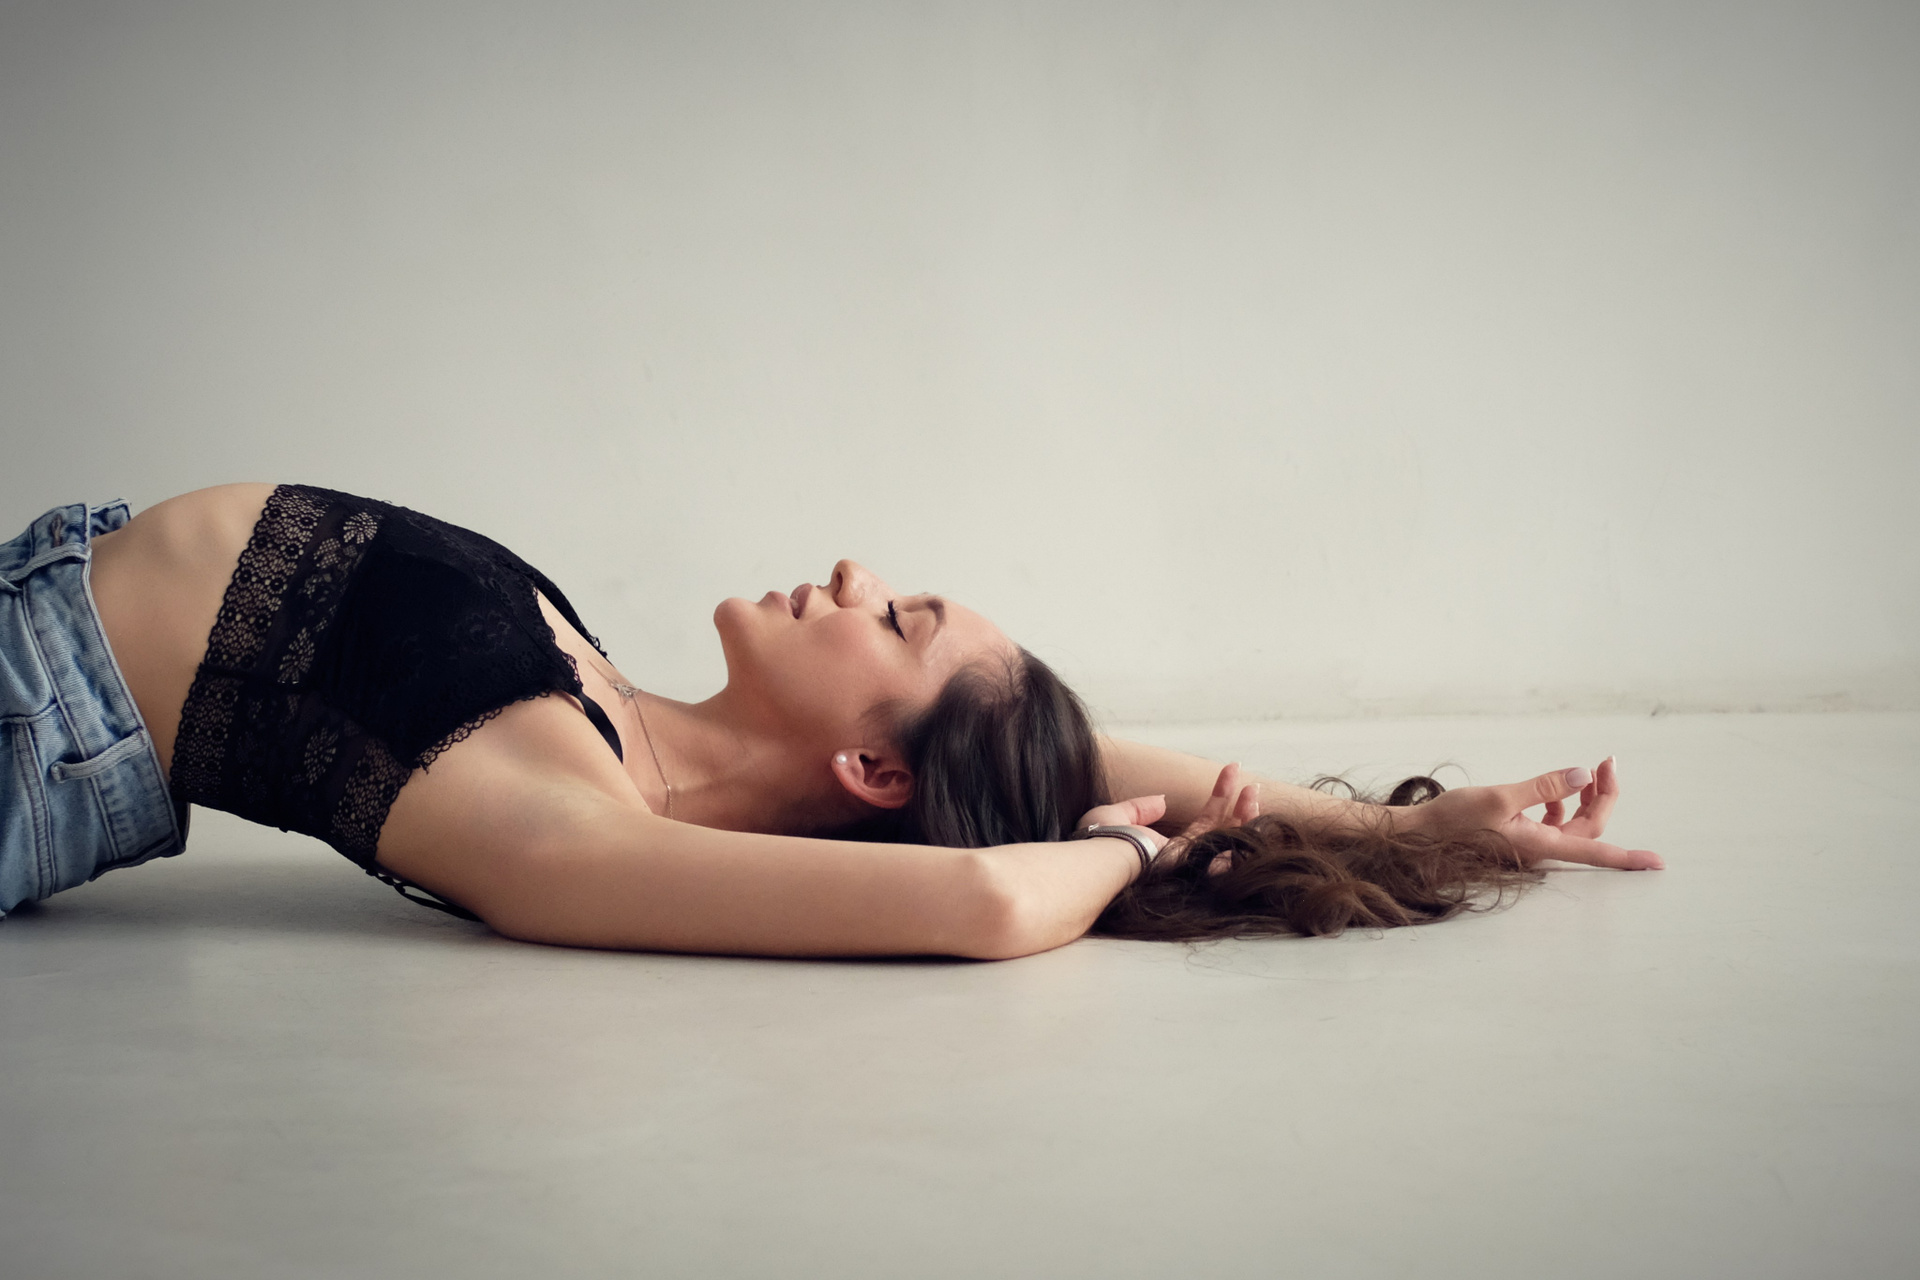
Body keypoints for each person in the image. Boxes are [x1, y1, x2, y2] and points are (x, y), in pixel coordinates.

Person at [0, 484, 1661, 956]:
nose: (860, 572)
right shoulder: (613, 717)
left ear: (871, 767)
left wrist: (1117, 856)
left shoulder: (557, 812)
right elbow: (1064, 766)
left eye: (901, 618)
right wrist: (1408, 825)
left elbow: (987, 893)